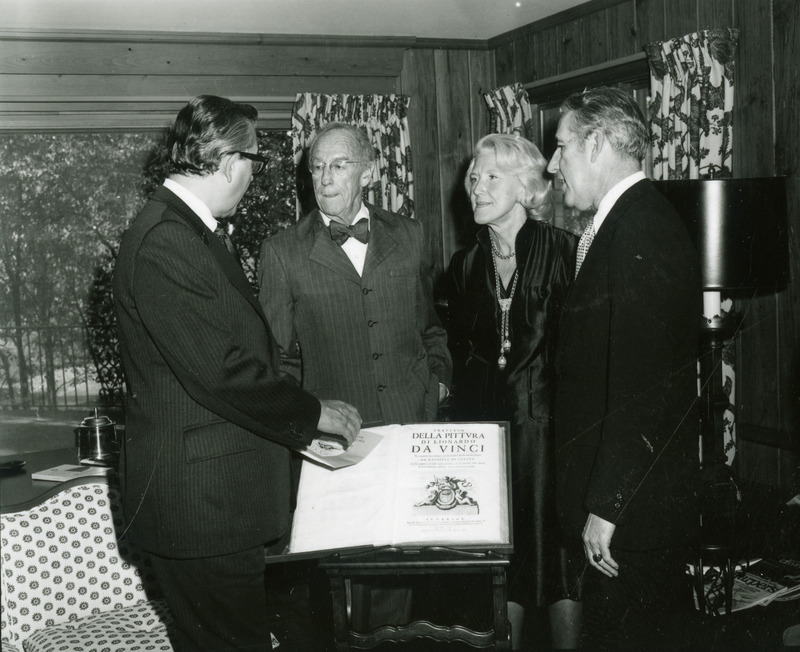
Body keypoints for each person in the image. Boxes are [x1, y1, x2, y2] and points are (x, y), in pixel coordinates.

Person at [113, 95, 361, 651]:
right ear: (230, 163)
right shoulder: (167, 241)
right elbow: (220, 372)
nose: (251, 176)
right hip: (205, 510)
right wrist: (312, 410)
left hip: (215, 506)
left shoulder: (184, 231)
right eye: (253, 162)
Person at [258, 122, 452, 629]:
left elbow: (431, 328)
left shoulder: (410, 236)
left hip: (411, 429)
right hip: (338, 446)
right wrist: (308, 425)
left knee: (407, 583)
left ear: (369, 171)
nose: (324, 178)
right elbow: (276, 362)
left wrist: (436, 388)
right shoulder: (282, 252)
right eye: (317, 167)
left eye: (338, 165)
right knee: (347, 592)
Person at [548, 86, 702, 649]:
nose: (552, 163)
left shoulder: (640, 229)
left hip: (630, 518)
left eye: (561, 146)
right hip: (627, 510)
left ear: (595, 145)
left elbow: (642, 390)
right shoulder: (625, 222)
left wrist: (606, 508)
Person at [443, 133, 580, 650]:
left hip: (552, 433)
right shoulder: (464, 266)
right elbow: (463, 360)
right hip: (489, 440)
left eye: (490, 177)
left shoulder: (564, 251)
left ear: (525, 187)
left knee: (558, 556)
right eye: (473, 177)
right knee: (503, 556)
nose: (476, 186)